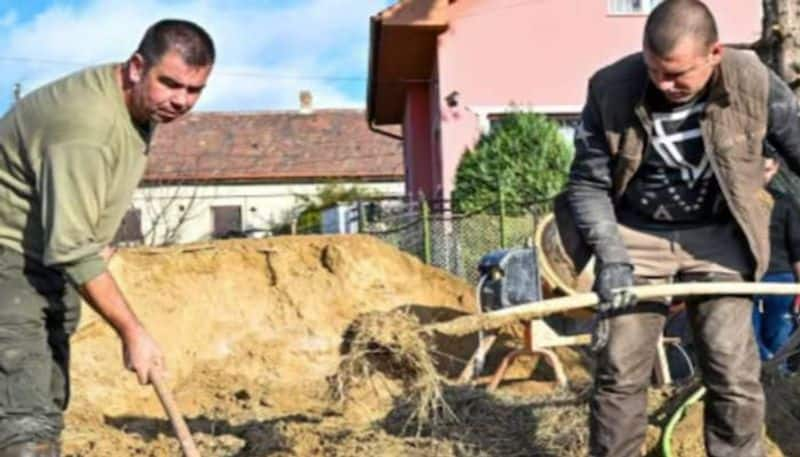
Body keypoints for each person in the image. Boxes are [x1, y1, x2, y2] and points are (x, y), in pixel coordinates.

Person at [564, 0, 800, 455]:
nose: (664, 84)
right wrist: (612, 260)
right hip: (635, 235)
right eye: (655, 71)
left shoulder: (751, 80)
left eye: (678, 74)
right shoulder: (612, 88)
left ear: (714, 53)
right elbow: (587, 185)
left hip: (719, 235)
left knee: (732, 370)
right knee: (620, 372)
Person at [0, 19, 214, 456]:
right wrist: (132, 332)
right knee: (24, 420)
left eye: (194, 90)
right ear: (137, 67)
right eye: (170, 83)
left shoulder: (137, 106)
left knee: (45, 399)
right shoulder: (85, 127)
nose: (180, 101)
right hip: (10, 258)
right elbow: (73, 247)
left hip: (45, 259)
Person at [752, 149, 800, 371]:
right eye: (757, 170)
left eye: (768, 170)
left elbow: (797, 248)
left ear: (777, 168)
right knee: (747, 335)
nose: (763, 176)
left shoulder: (785, 203)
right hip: (744, 278)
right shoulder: (731, 202)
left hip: (780, 279)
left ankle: (777, 376)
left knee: (780, 334)